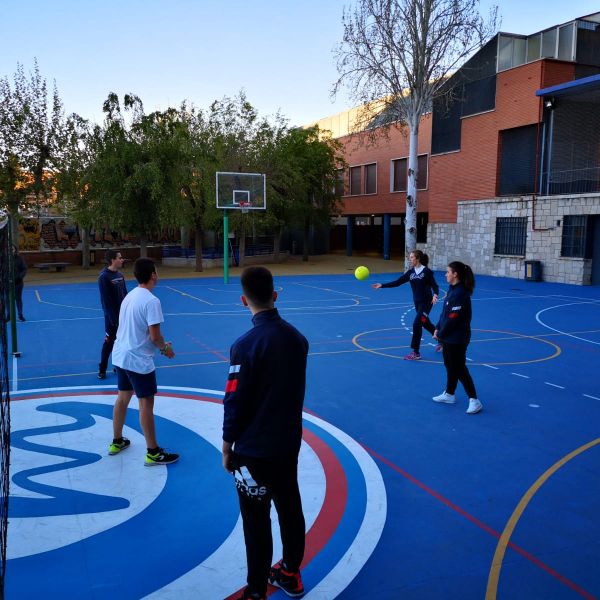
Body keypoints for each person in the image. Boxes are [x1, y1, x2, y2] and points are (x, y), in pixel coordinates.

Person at [222, 266, 309, 600]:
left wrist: (227, 445)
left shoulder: (244, 346)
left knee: (256, 522)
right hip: (287, 444)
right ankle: (290, 573)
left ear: (244, 301)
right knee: (290, 507)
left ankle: (256, 591)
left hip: (253, 451)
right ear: (274, 295)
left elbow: (234, 400)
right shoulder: (297, 339)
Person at [110, 257, 179, 465]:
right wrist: (166, 349)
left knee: (122, 398)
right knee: (146, 403)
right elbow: (155, 336)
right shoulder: (151, 301)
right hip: (138, 360)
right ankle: (153, 452)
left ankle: (117, 440)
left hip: (121, 355)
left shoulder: (130, 296)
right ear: (153, 275)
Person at [432, 261, 482, 415]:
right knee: (449, 365)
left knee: (459, 367)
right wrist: (437, 327)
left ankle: (474, 400)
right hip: (448, 336)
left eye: (448, 272)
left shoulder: (461, 293)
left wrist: (441, 334)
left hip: (458, 338)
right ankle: (449, 394)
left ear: (455, 274)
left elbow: (453, 317)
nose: (445, 274)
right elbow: (445, 313)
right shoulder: (452, 289)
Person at [372, 250, 439, 360]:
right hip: (417, 303)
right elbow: (398, 282)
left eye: (412, 257)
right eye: (410, 257)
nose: (410, 259)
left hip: (427, 303)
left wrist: (435, 294)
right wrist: (382, 285)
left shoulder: (427, 272)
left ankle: (416, 353)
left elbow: (435, 285)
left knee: (417, 324)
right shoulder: (410, 272)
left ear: (418, 259)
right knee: (425, 323)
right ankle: (441, 338)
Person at [98, 249, 127, 379]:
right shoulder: (104, 277)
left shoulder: (120, 275)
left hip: (123, 316)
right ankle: (102, 368)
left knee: (121, 343)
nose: (122, 259)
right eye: (119, 258)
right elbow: (106, 301)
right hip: (112, 318)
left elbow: (125, 295)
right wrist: (113, 319)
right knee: (109, 343)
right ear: (112, 260)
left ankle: (118, 365)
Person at [13, 245, 28, 321]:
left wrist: (20, 276)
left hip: (18, 283)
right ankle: (8, 315)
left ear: (15, 250)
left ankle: (20, 314)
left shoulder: (20, 259)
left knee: (18, 298)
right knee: (7, 300)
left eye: (12, 249)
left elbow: (24, 269)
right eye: (9, 249)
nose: (11, 251)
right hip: (7, 283)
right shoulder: (5, 259)